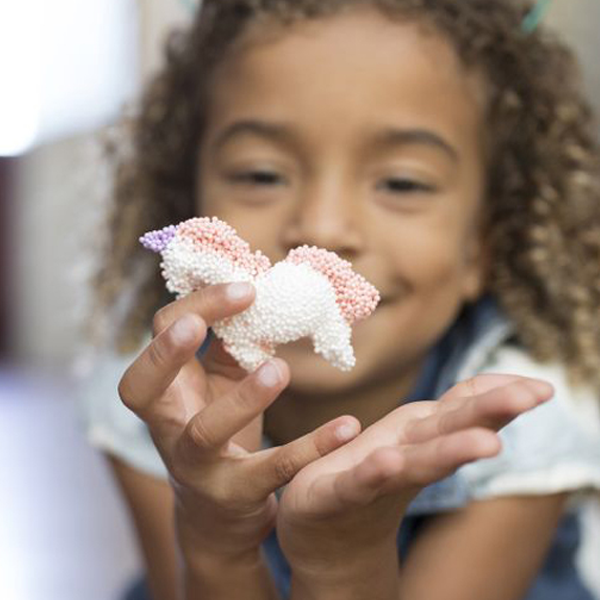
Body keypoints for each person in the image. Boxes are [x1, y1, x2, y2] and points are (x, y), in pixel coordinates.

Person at [80, 0, 600, 598]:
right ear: (188, 203)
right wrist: (214, 535)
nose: (322, 227)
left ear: (481, 249)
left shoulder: (520, 419)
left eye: (401, 182)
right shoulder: (152, 395)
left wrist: (343, 562)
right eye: (261, 174)